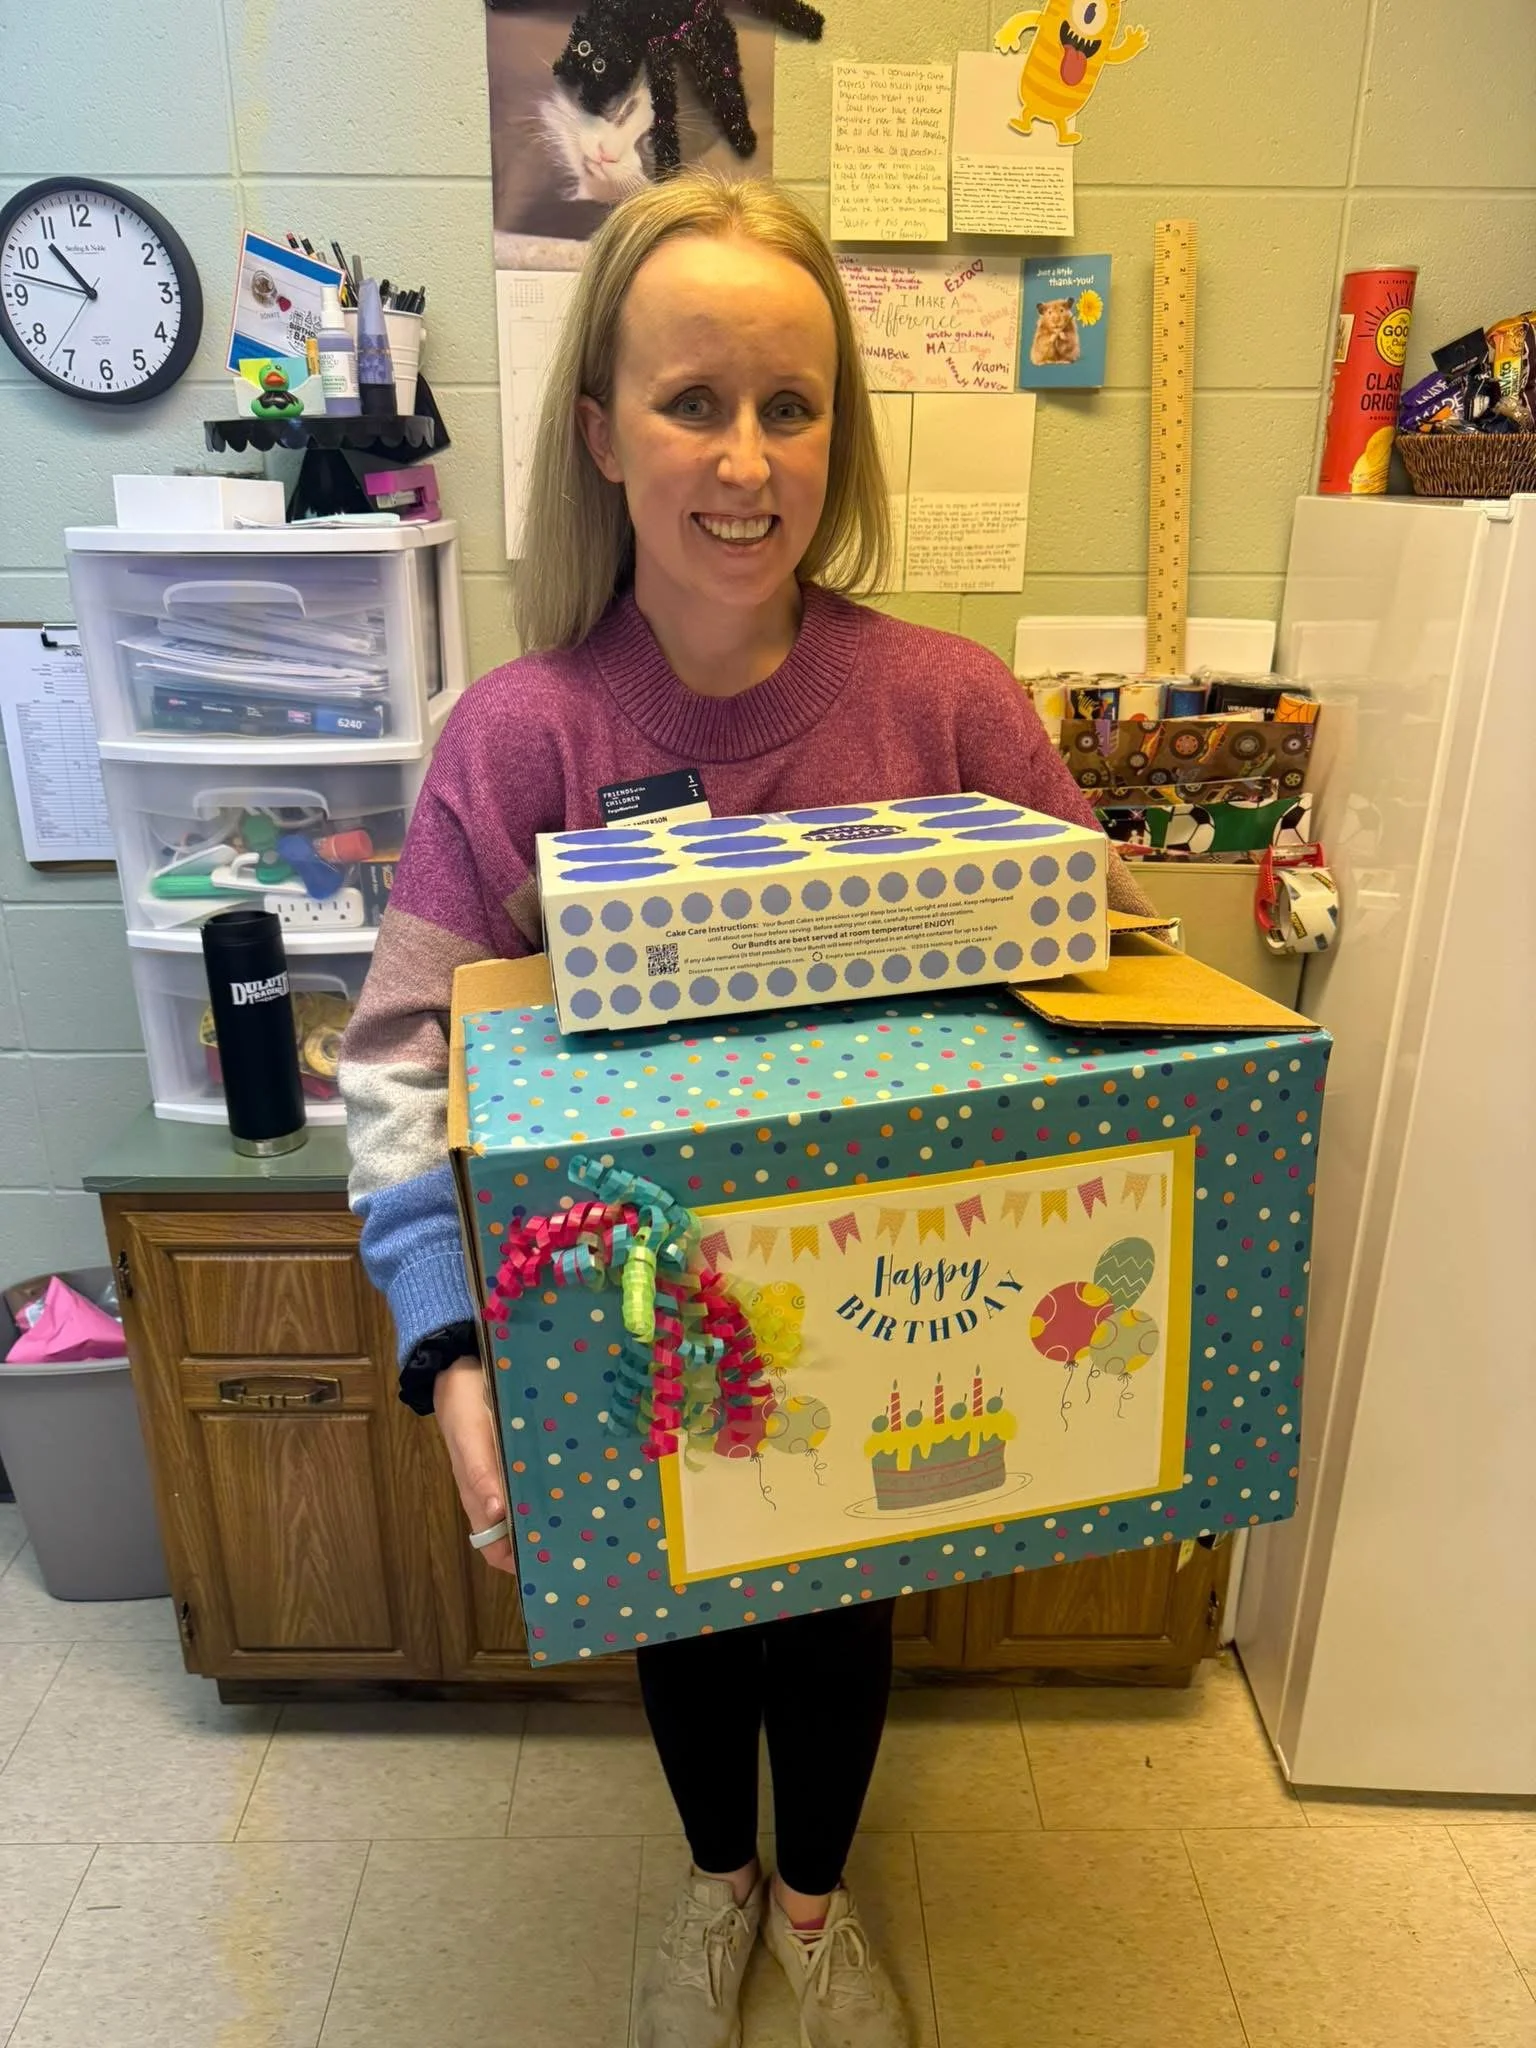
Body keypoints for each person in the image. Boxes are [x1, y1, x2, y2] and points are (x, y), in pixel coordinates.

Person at [340, 170, 1154, 2048]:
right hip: (635, 1314)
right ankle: (719, 1888)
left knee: (841, 1605)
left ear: (834, 436)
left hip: (901, 1314)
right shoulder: (521, 737)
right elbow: (394, 1063)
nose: (745, 455)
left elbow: (1101, 971)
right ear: (601, 434)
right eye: (692, 399)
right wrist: (451, 1351)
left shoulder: (946, 705)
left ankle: (810, 1905)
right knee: (693, 1614)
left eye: (791, 406)